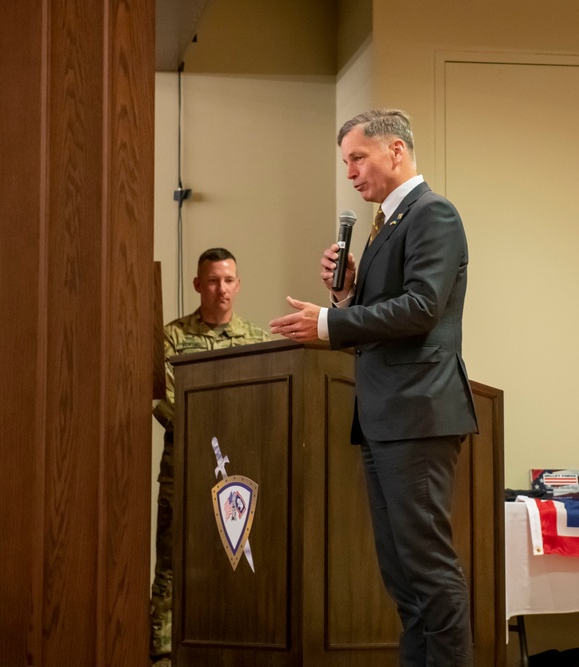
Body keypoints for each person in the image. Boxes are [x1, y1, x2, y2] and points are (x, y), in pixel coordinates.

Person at [269, 109, 478, 666]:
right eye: (346, 163)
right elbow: (392, 312)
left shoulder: (433, 214)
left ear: (396, 152)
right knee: (403, 579)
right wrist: (348, 296)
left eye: (358, 158)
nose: (351, 173)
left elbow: (421, 308)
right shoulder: (389, 223)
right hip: (388, 415)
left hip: (419, 414)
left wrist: (330, 324)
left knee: (429, 572)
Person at [150, 247, 271, 666]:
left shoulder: (257, 341)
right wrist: (211, 432)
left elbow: (266, 403)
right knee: (172, 559)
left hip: (240, 474)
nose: (222, 289)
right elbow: (164, 402)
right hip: (184, 469)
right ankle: (163, 651)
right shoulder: (171, 338)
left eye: (229, 280)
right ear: (199, 285)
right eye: (213, 281)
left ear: (239, 285)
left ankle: (235, 642)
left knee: (238, 557)